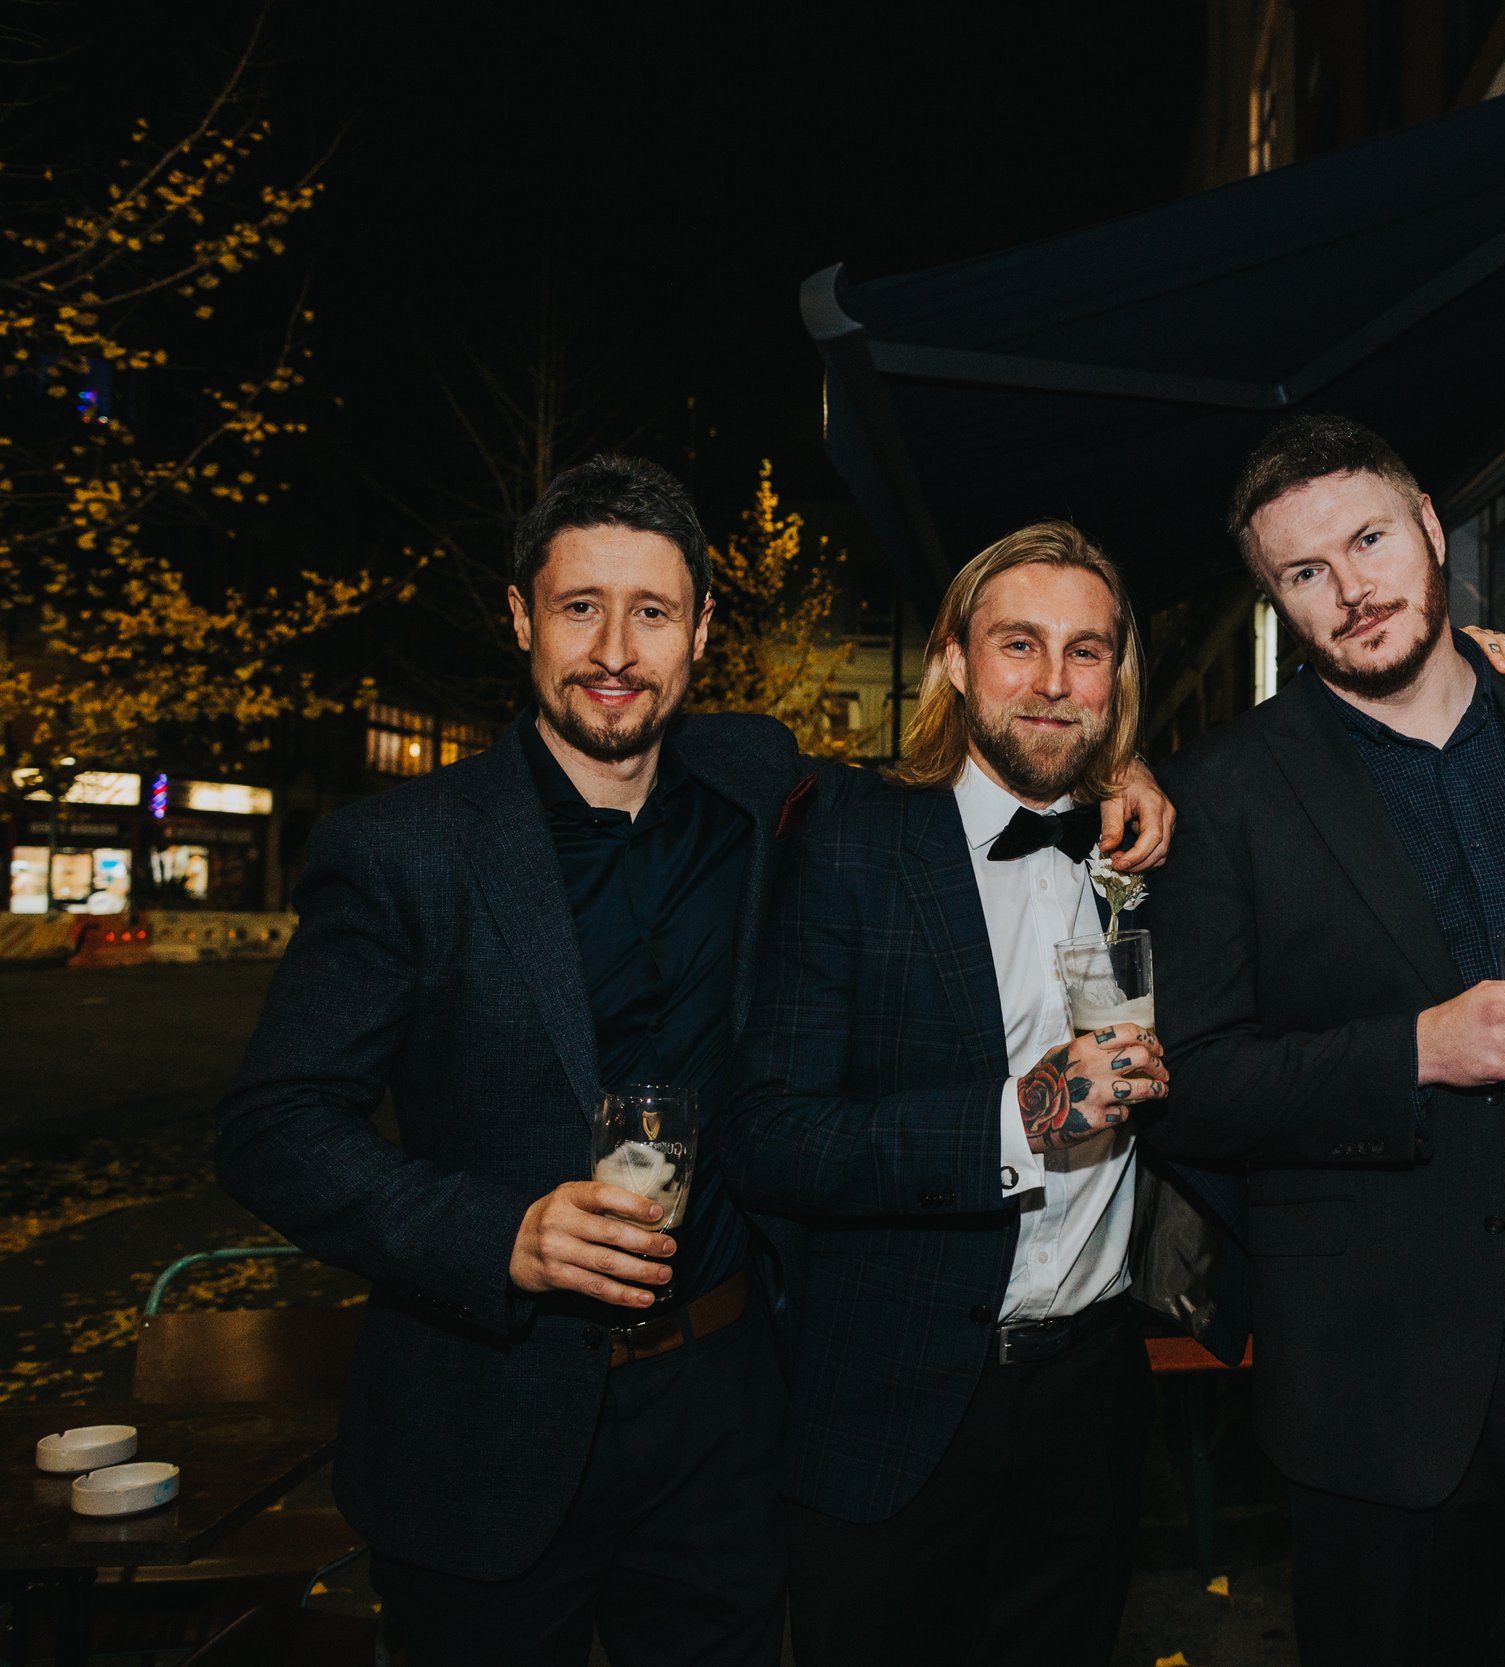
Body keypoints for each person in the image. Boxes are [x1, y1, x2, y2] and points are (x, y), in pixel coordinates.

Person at [215, 459, 1167, 1667]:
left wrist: (1111, 769)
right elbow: (273, 1125)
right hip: (489, 1415)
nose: (615, 649)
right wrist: (494, 1232)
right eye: (578, 607)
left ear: (701, 631)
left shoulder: (756, 780)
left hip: (722, 1410)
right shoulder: (404, 848)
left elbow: (987, 770)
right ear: (519, 616)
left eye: (653, 612)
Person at [1149, 414, 1505, 1666]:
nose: (1351, 589)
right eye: (1304, 573)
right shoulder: (1223, 791)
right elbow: (1196, 1084)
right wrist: (1416, 1049)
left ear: (1433, 528)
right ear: (1275, 598)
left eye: (1371, 539)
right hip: (1378, 1380)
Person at [718, 520, 1173, 1667]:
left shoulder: (1151, 847)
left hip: (1091, 1398)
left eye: (1088, 650)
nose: (1055, 681)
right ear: (956, 661)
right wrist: (1012, 1122)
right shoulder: (852, 840)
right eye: (1019, 644)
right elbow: (769, 1134)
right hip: (896, 1396)